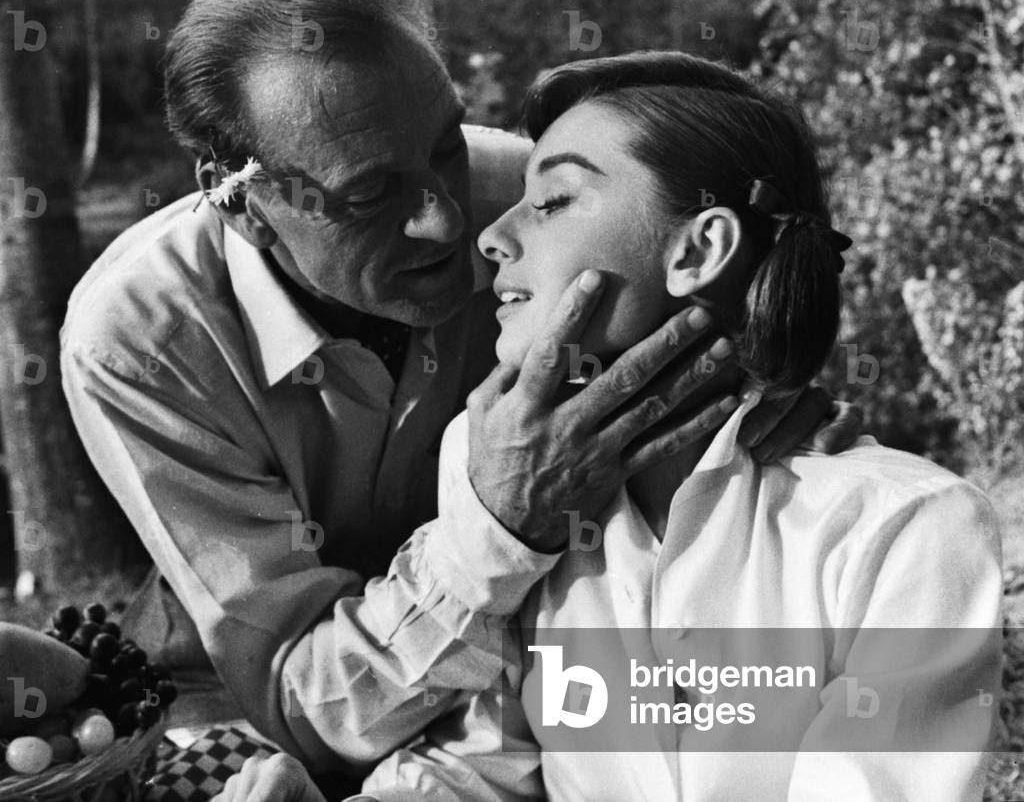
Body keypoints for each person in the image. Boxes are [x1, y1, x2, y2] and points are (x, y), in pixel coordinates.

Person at [60, 0, 860, 781]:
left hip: (525, 681)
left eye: (447, 147)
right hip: (253, 714)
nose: (452, 225)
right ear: (244, 204)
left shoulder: (531, 201)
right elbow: (308, 704)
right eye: (370, 196)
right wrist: (498, 526)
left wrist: (784, 399)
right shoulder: (136, 342)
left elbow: (737, 286)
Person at [214, 51, 1002, 802]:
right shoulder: (509, 494)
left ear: (699, 248)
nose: (489, 237)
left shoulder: (903, 532)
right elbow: (488, 768)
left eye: (553, 201)